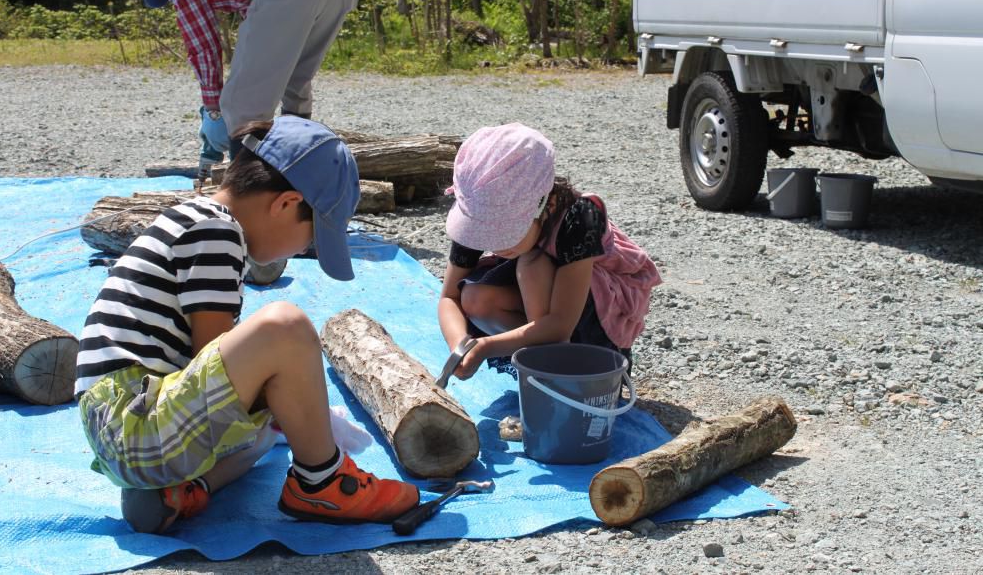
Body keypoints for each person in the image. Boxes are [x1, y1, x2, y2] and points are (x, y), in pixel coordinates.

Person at [74, 116, 419, 534]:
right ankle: (323, 482)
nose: (304, 249)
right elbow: (212, 349)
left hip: (131, 426)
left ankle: (182, 492)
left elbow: (215, 379)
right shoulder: (215, 228)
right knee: (285, 326)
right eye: (311, 238)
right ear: (286, 204)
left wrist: (294, 411)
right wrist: (298, 400)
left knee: (266, 435)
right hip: (136, 424)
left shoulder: (198, 218)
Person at [119, 0, 357, 182]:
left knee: (241, 107)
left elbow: (201, 36)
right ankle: (301, 181)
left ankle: (243, 201)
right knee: (294, 83)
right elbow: (258, 22)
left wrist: (214, 109)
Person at [438, 122, 662, 381]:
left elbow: (560, 323)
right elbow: (449, 298)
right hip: (538, 301)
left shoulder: (580, 215)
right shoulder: (479, 209)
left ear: (546, 203)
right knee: (476, 297)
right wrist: (461, 345)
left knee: (533, 264)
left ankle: (564, 365)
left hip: (587, 309)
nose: (496, 245)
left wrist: (487, 346)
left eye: (505, 233)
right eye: (489, 235)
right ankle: (537, 358)